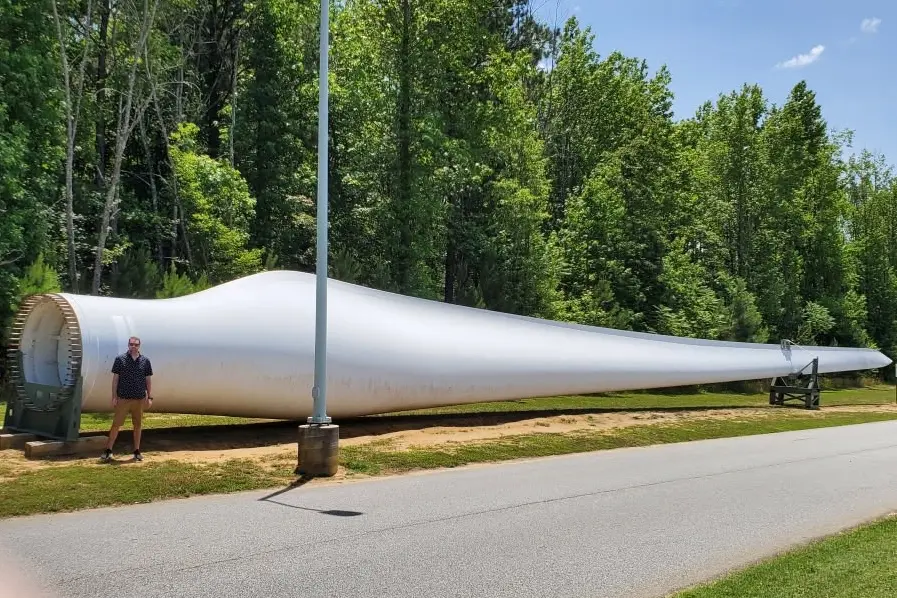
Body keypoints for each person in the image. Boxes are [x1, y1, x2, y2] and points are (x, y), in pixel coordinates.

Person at [100, 336, 153, 462]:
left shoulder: (145, 361)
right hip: (123, 398)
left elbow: (148, 380)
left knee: (138, 425)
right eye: (131, 344)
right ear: (128, 345)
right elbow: (115, 380)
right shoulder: (120, 359)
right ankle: (108, 450)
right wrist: (114, 396)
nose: (133, 347)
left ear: (139, 346)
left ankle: (137, 451)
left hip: (139, 398)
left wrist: (149, 396)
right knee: (116, 425)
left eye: (136, 345)